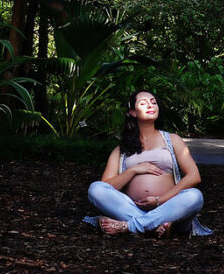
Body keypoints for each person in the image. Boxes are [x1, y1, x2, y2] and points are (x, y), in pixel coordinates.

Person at [84, 89, 211, 237]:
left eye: (153, 102)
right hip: (131, 208)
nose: (150, 106)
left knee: (194, 196)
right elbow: (107, 187)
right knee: (95, 188)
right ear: (132, 112)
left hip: (169, 208)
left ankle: (131, 226)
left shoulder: (172, 139)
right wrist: (134, 170)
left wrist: (158, 201)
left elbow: (194, 176)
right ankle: (153, 226)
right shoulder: (121, 149)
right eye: (143, 103)